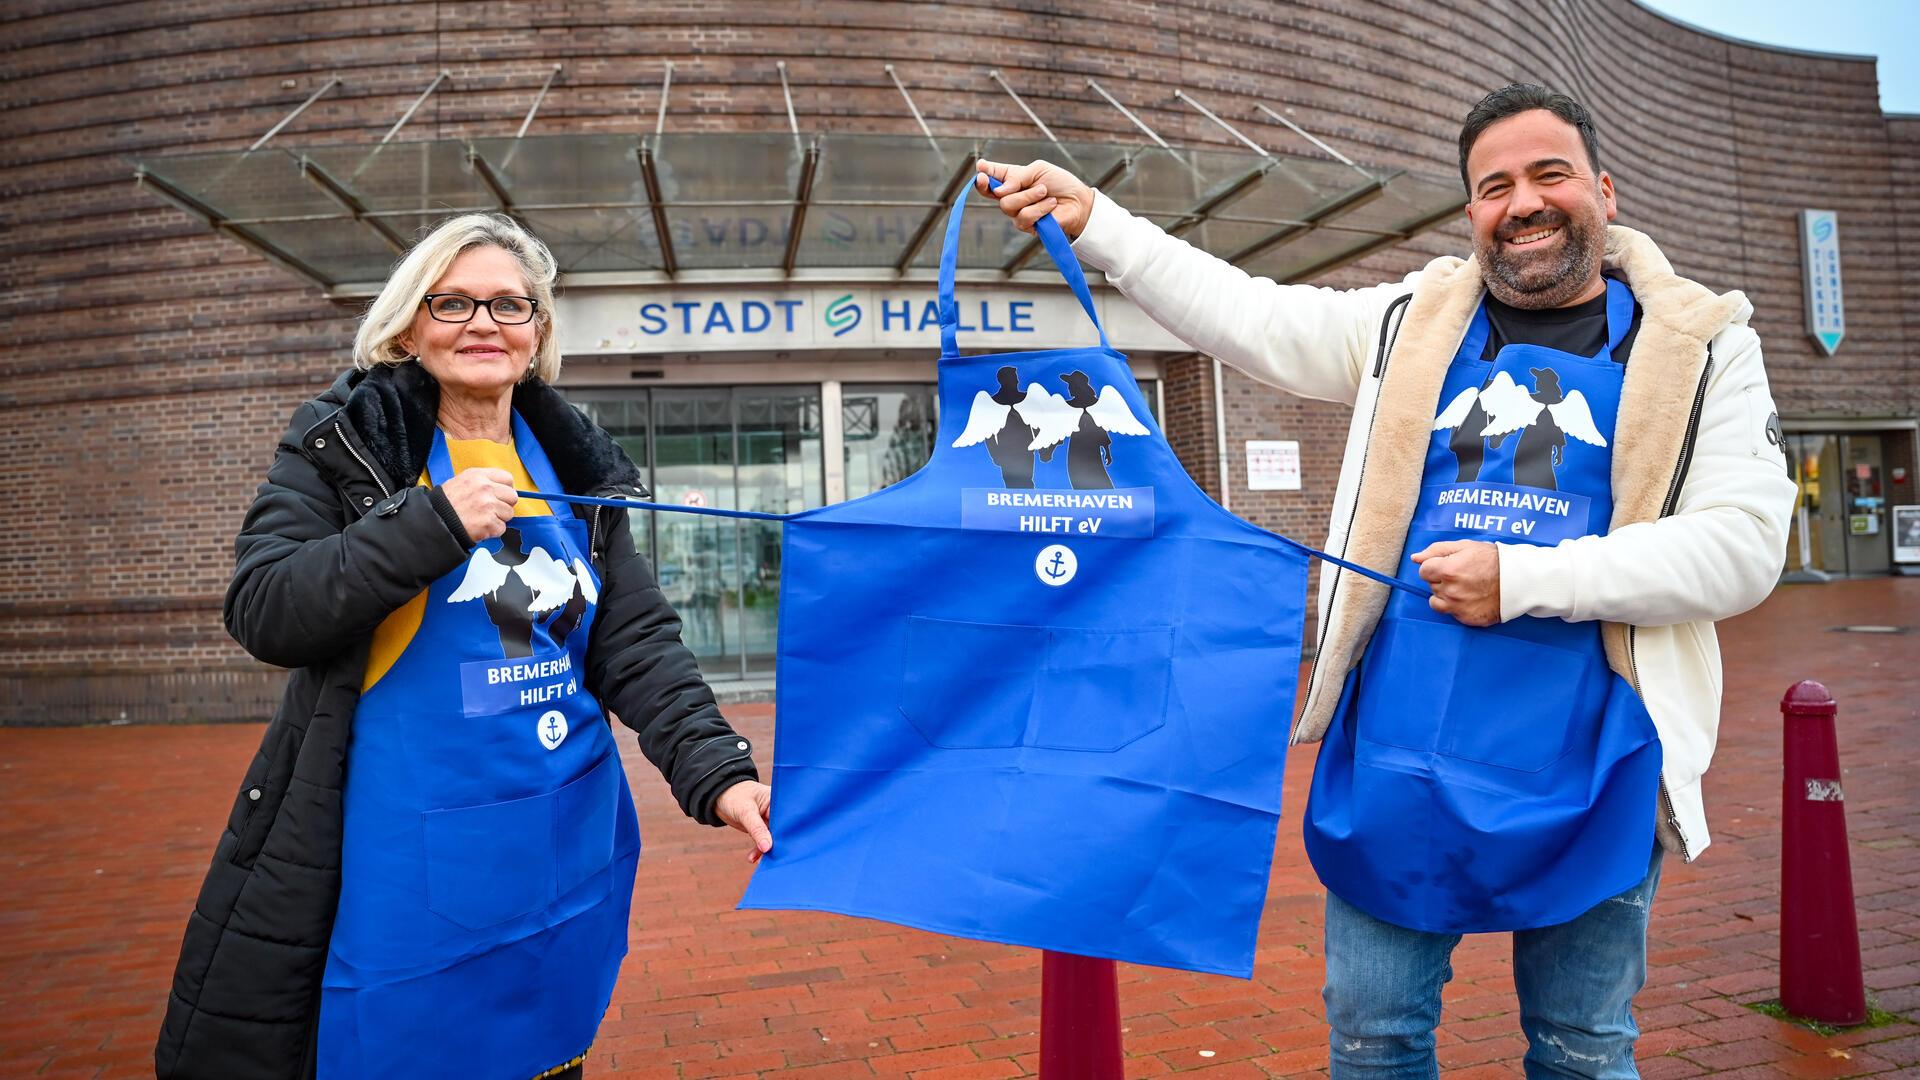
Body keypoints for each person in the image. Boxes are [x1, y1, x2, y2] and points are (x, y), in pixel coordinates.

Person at [978, 83, 1795, 1077]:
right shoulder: (1413, 323)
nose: (1523, 202)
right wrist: (1101, 224)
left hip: (1598, 758)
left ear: (1606, 191)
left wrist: (1528, 579)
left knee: (1583, 1050)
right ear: (1471, 215)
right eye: (1494, 187)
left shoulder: (1705, 347)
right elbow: (1255, 318)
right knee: (1373, 1036)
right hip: (1398, 754)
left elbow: (1746, 544)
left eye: (1550, 175)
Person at [156, 213, 773, 1080]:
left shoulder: (571, 460)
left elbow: (634, 639)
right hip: (407, 869)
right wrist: (433, 523)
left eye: (509, 306)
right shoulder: (348, 444)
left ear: (537, 333)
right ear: (409, 325)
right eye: (453, 302)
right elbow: (266, 609)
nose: (484, 323)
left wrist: (721, 771)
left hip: (561, 845)